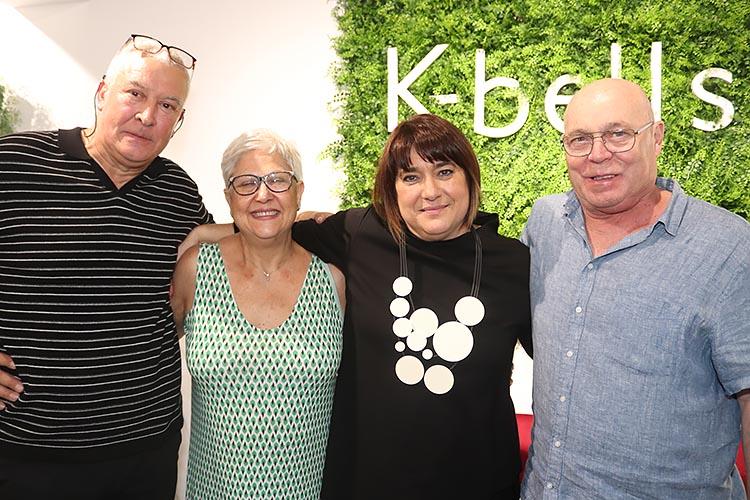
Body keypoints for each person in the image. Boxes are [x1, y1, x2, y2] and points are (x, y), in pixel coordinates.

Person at [0, 34, 212, 500]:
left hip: (145, 452)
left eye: (167, 105)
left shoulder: (177, 192)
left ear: (178, 121)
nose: (147, 116)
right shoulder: (13, 163)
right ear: (101, 93)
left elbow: (234, 245)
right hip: (26, 453)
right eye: (135, 93)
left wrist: (302, 221)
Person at [520, 78, 749, 499]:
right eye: (580, 139)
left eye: (618, 134)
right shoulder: (545, 223)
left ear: (656, 138)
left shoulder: (730, 248)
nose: (598, 154)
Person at [291, 113, 532, 499]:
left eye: (445, 172)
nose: (430, 191)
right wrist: (202, 233)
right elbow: (263, 233)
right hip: (367, 484)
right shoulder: (359, 234)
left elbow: (560, 367)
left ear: (470, 177)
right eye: (411, 177)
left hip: (478, 484)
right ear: (392, 189)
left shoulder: (514, 263)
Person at [171, 129, 345, 499]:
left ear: (299, 192)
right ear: (228, 197)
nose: (262, 194)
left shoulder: (333, 281)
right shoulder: (196, 270)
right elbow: (148, 349)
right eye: (246, 183)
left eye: (277, 180)